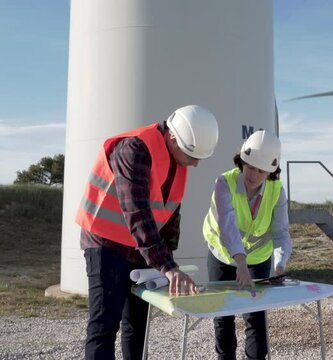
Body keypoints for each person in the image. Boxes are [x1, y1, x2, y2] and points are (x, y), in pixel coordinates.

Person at [75, 105, 220, 360]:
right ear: (173, 136)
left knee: (137, 326)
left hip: (139, 249)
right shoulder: (134, 149)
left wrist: (168, 265)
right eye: (192, 154)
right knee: (104, 327)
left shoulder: (179, 160)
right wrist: (167, 266)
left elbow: (170, 214)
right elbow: (138, 212)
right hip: (105, 243)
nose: (196, 163)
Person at [202, 129, 292, 360]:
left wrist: (280, 265)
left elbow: (281, 232)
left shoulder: (277, 191)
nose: (253, 174)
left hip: (259, 258)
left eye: (261, 171)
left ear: (271, 171)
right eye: (250, 166)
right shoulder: (224, 182)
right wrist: (239, 262)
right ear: (241, 160)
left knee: (255, 315)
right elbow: (228, 226)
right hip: (222, 255)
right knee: (223, 314)